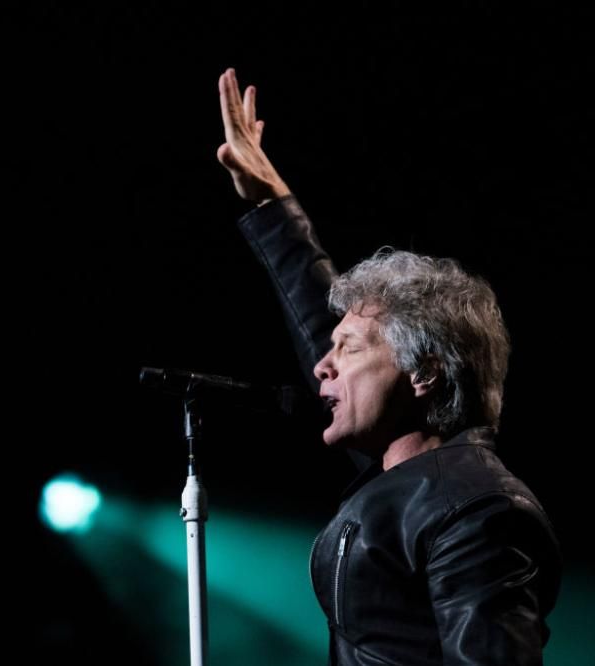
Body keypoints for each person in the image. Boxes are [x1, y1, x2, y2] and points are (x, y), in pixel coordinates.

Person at [216, 67, 561, 665]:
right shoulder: (409, 479)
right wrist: (272, 206)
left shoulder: (477, 509)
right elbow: (316, 319)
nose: (322, 367)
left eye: (348, 349)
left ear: (422, 372)